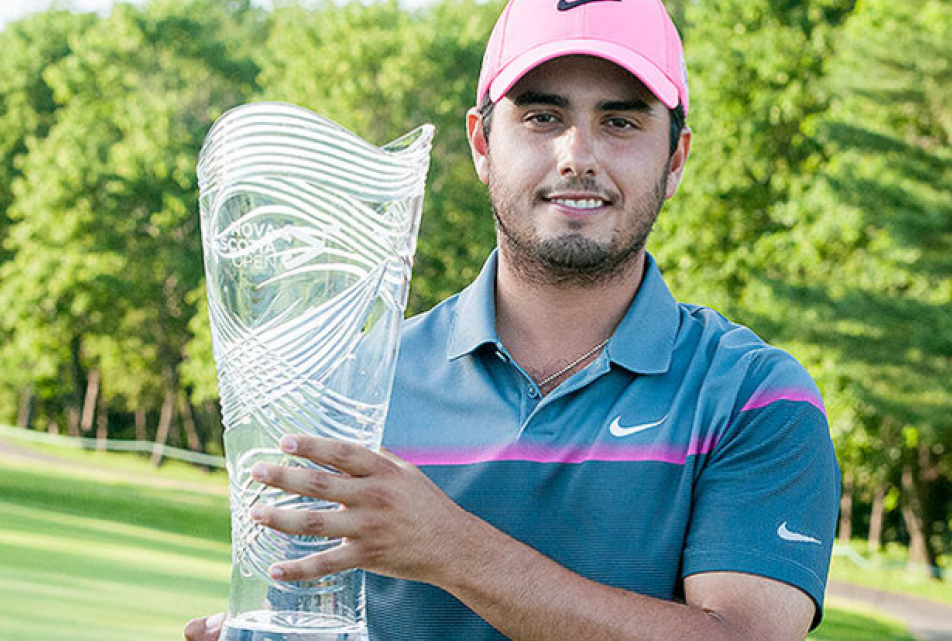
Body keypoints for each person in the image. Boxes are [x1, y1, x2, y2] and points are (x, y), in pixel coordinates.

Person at [187, 0, 840, 639]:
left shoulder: (755, 398)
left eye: (620, 122)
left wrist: (449, 546)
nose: (578, 155)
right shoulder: (359, 386)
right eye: (542, 117)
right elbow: (310, 612)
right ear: (481, 144)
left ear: (674, 160)